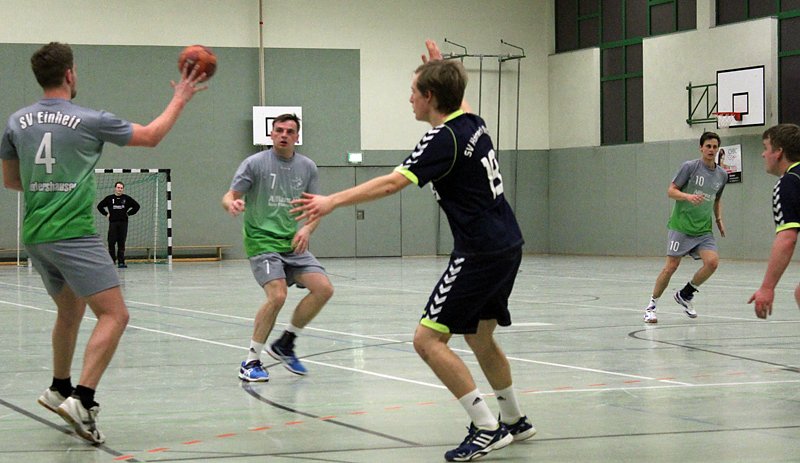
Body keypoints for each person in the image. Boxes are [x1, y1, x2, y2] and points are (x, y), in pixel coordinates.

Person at [290, 40, 535, 462]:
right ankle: (514, 419)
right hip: (507, 243)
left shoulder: (441, 139)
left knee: (427, 340)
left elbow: (391, 183)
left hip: (478, 252)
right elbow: (458, 100)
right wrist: (441, 67)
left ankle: (486, 428)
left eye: (414, 92)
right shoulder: (472, 121)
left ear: (430, 97)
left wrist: (331, 201)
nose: (409, 99)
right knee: (479, 335)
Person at [0, 42, 206, 444]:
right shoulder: (91, 120)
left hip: (36, 234)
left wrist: (49, 186)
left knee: (70, 309)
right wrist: (180, 97)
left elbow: (11, 181)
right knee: (115, 315)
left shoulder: (16, 122)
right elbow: (151, 136)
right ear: (70, 74)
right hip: (73, 233)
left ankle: (59, 386)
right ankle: (83, 399)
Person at [222, 113, 334, 383]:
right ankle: (250, 361)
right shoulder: (255, 163)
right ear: (271, 134)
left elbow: (316, 208)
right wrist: (232, 203)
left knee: (324, 288)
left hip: (291, 242)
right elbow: (230, 195)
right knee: (278, 296)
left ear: (297, 136)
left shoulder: (307, 167)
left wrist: (307, 229)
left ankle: (286, 343)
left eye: (290, 131)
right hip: (261, 240)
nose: (284, 135)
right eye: (279, 130)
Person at [642, 132, 728, 323]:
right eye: (708, 146)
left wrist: (719, 219)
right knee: (671, 267)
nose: (711, 150)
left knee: (712, 262)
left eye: (715, 147)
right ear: (701, 148)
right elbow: (671, 191)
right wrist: (688, 197)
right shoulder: (689, 167)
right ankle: (651, 306)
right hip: (681, 226)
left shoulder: (722, 175)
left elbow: (717, 199)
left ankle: (685, 294)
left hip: (703, 229)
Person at [749, 123, 800, 319]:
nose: (763, 154)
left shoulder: (789, 183)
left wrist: (767, 288)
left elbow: (787, 239)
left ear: (778, 152)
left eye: (766, 147)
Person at [97, 181, 140, 268]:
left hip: (123, 223)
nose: (119, 189)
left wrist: (128, 213)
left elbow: (137, 206)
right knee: (111, 242)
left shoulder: (126, 198)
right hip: (113, 223)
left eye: (121, 188)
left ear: (123, 189)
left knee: (121, 242)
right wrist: (106, 214)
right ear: (115, 188)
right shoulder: (109, 198)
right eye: (118, 187)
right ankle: (112, 261)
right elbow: (99, 206)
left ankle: (121, 262)